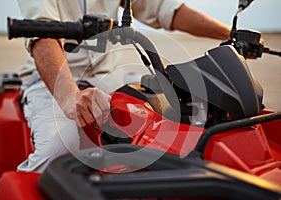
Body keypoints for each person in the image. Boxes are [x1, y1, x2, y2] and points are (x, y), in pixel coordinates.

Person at [16, 0, 231, 172]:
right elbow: (43, 35)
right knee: (59, 148)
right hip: (52, 82)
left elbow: (163, 9)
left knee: (170, 118)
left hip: (106, 76)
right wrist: (69, 96)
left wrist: (228, 34)